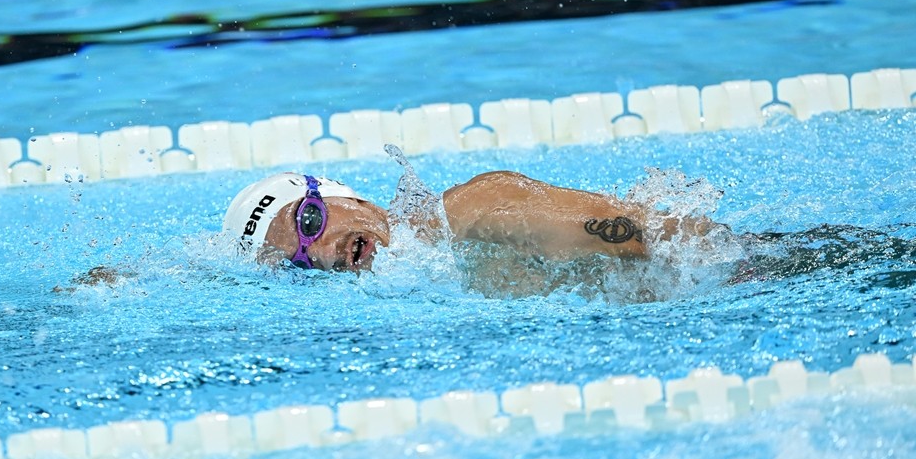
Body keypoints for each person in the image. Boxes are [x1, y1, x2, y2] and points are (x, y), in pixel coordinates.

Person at [222, 164, 720, 274]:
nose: (322, 249)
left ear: (355, 201)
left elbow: (677, 243)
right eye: (300, 261)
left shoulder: (476, 212)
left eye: (309, 221)